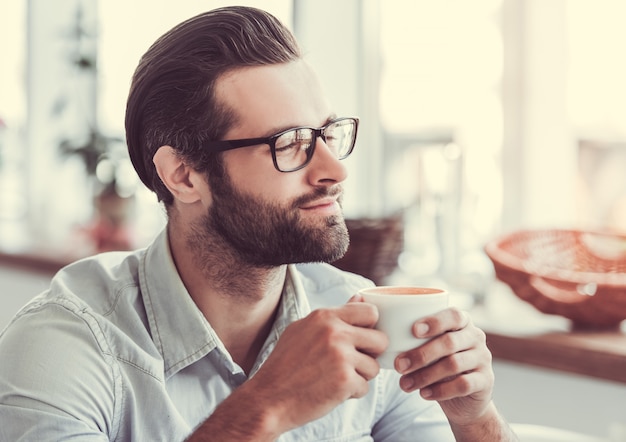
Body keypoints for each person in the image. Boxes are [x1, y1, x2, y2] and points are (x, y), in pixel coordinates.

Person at [0, 6, 518, 441]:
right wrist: (268, 406)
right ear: (183, 176)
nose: (334, 171)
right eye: (290, 143)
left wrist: (474, 419)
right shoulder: (66, 344)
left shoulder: (362, 317)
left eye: (327, 133)